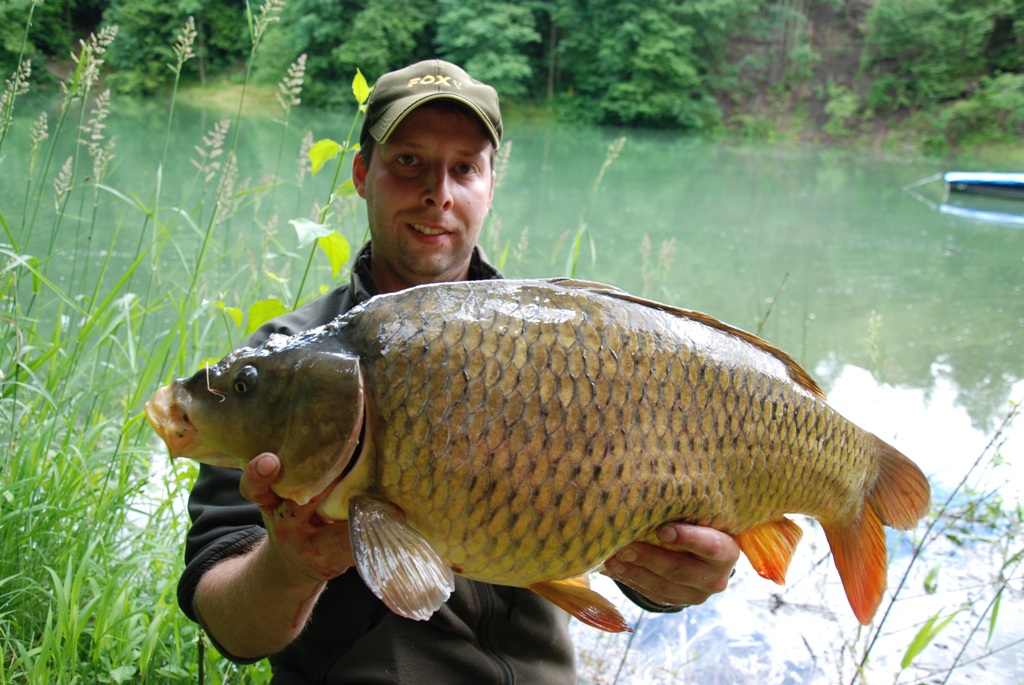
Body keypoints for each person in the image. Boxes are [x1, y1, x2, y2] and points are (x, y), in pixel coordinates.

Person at [178, 59, 740, 684]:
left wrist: (675, 576)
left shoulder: (566, 352)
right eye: (408, 161)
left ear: (490, 185)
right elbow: (229, 624)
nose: (437, 193)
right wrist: (291, 565)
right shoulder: (282, 368)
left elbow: (644, 547)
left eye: (464, 168)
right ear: (362, 174)